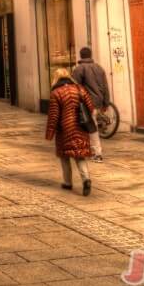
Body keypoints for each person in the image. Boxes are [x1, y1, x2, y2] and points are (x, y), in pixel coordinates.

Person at [45, 67, 96, 196]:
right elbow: (90, 107)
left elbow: (54, 116)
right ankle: (86, 179)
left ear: (55, 78)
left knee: (64, 156)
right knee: (79, 155)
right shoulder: (80, 89)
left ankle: (67, 182)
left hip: (65, 129)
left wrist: (50, 133)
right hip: (80, 127)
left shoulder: (56, 93)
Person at [72, 47, 110, 162]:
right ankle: (91, 150)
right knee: (91, 125)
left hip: (87, 102)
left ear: (80, 55)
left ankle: (97, 153)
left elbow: (75, 88)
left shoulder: (79, 69)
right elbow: (105, 87)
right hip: (98, 102)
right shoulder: (99, 68)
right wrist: (106, 103)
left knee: (91, 127)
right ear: (90, 55)